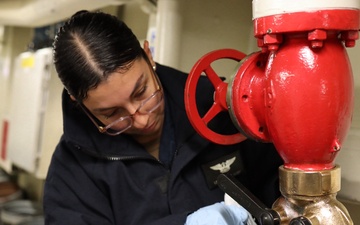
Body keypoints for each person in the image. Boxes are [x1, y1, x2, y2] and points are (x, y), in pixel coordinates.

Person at [43, 10, 283, 225]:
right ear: (79, 103)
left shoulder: (223, 112)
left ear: (148, 55)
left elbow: (280, 184)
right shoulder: (71, 171)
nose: (141, 120)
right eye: (112, 113)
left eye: (141, 92)